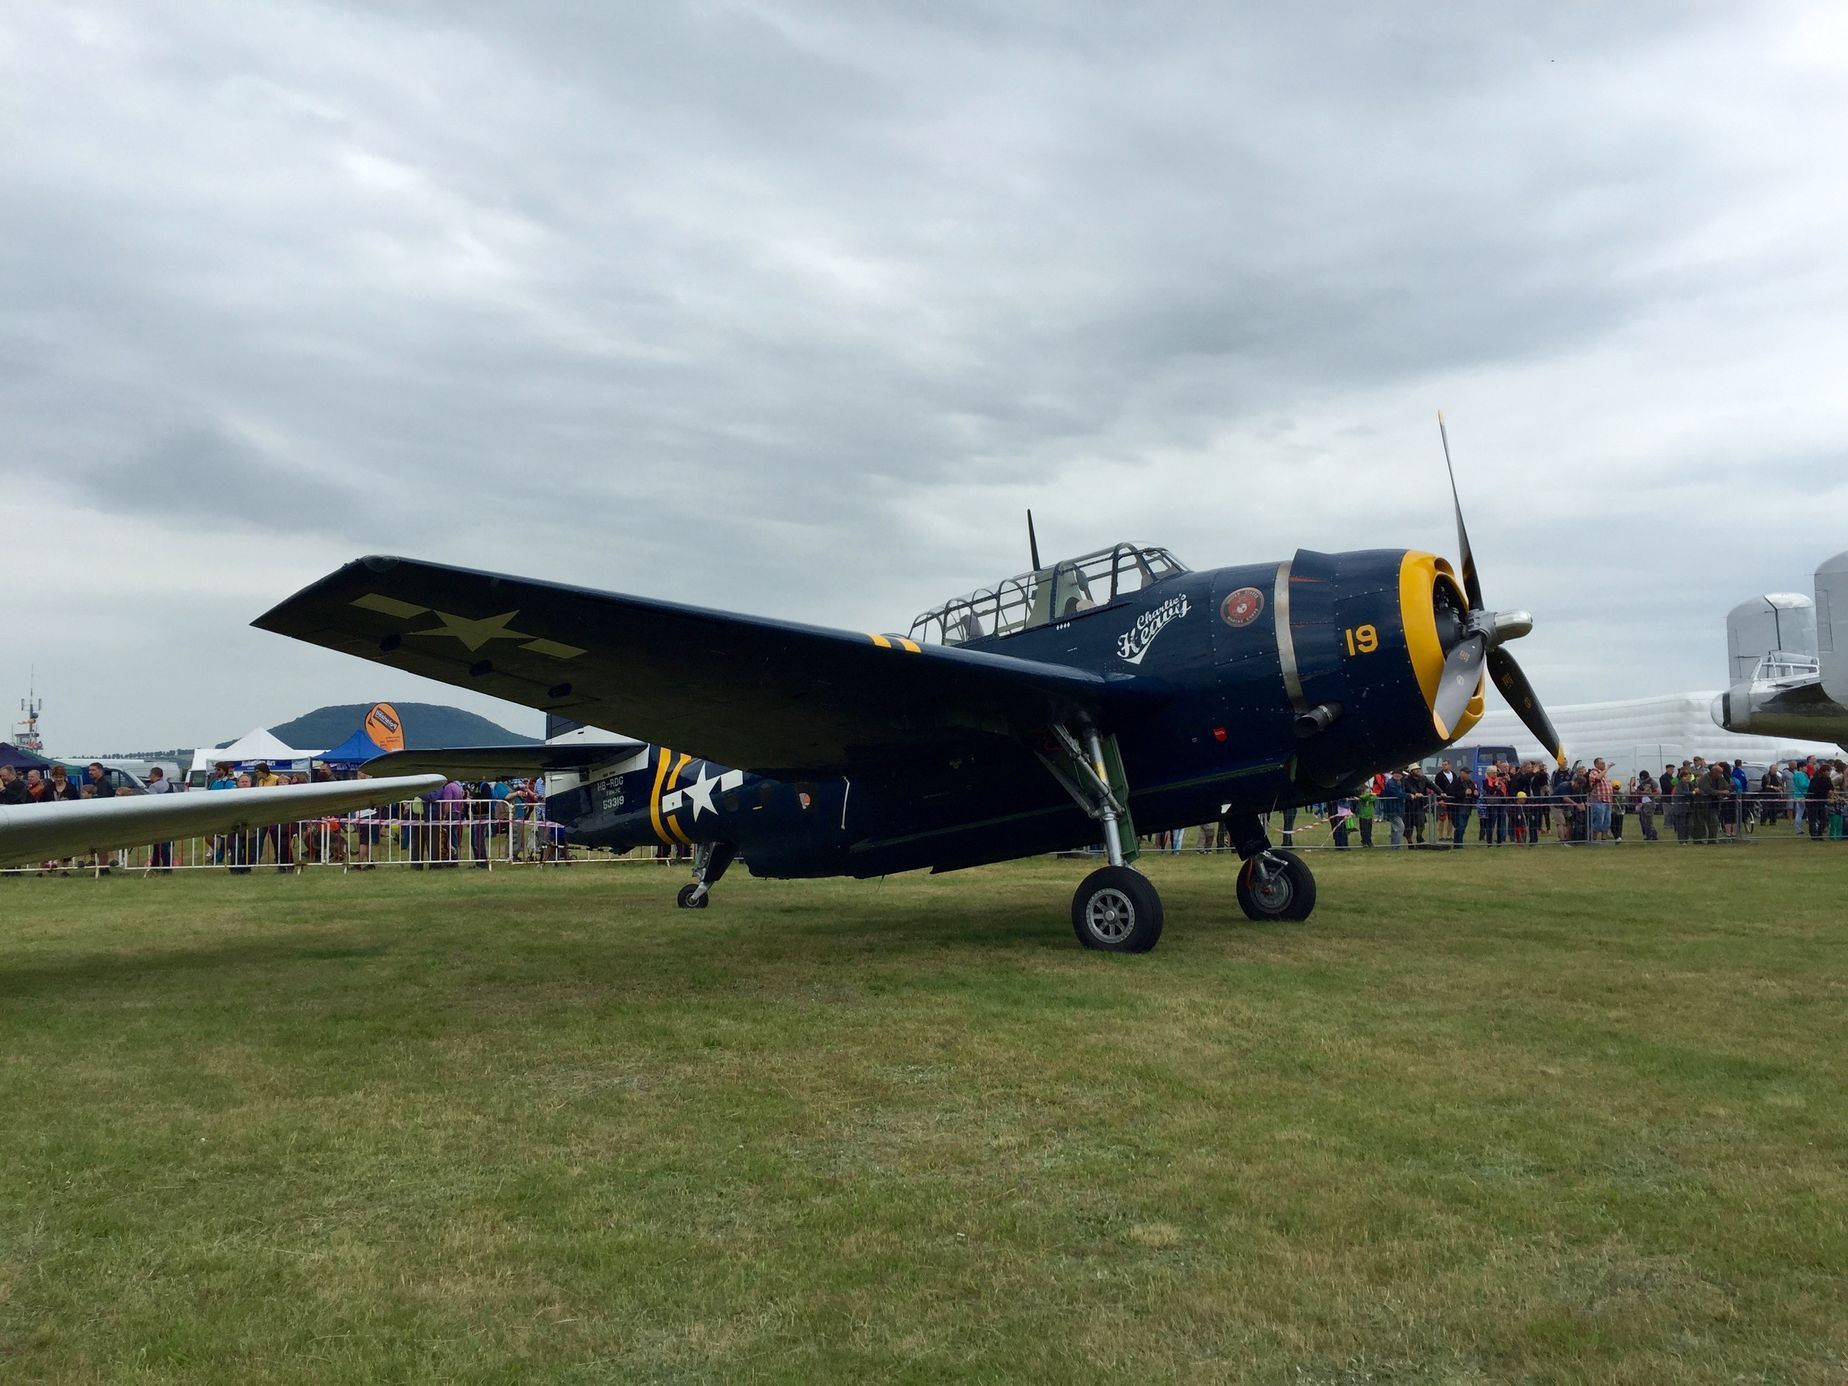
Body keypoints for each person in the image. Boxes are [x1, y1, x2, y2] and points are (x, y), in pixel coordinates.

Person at [144, 766, 176, 873]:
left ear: (154, 775)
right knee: (162, 843)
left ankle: (166, 867)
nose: (149, 777)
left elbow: (153, 803)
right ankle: (156, 865)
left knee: (161, 844)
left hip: (159, 819)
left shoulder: (153, 786)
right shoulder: (172, 786)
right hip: (171, 817)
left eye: (150, 774)